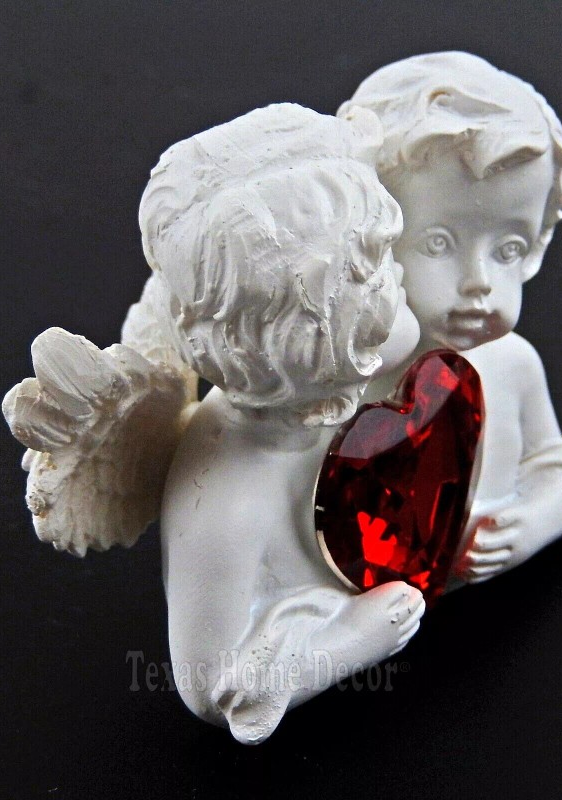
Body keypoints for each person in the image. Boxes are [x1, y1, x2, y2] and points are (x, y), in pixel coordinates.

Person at [140, 103, 425, 743]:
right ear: (313, 336)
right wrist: (352, 641)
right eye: (379, 263)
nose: (405, 270)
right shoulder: (229, 499)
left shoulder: (364, 388)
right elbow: (208, 688)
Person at [339, 52, 562, 585]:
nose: (478, 281)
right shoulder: (342, 374)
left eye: (509, 249)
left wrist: (533, 522)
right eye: (439, 242)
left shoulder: (512, 365)